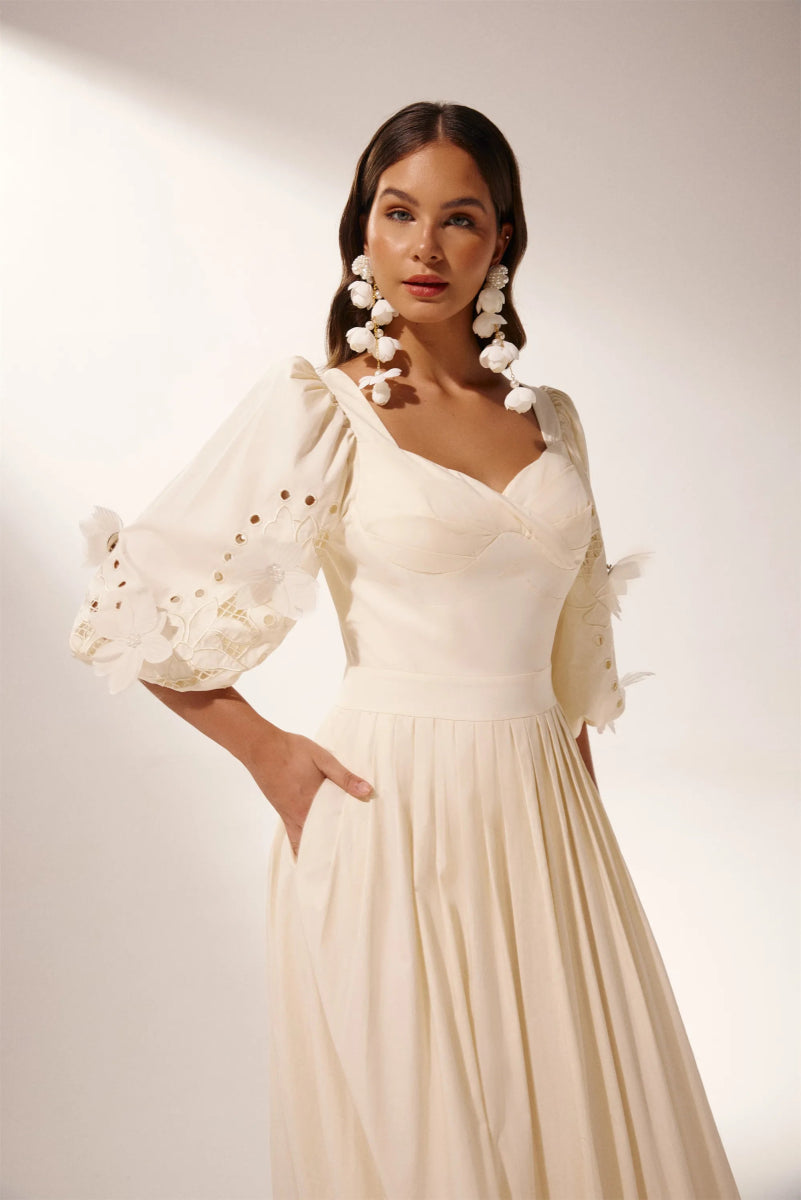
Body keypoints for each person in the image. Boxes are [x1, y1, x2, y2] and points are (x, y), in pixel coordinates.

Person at [69, 101, 741, 1199]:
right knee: (431, 1152)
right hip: (388, 816)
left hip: (549, 827)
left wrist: (576, 837)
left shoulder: (553, 421)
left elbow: (571, 664)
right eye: (399, 213)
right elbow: (127, 603)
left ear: (502, 240)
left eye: (459, 218)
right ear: (363, 232)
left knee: (577, 1132)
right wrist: (272, 758)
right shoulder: (322, 410)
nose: (426, 246)